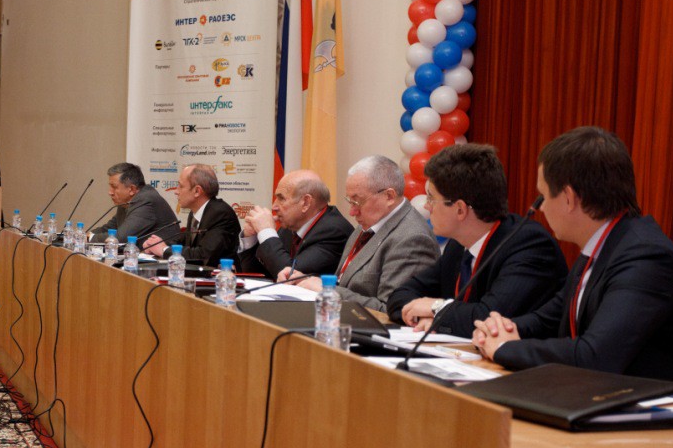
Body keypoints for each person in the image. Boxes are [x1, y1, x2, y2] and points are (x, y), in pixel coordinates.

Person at [473, 126, 673, 379]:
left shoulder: (646, 256)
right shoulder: (602, 245)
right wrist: (497, 330)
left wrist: (505, 348)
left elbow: (596, 356)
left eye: (543, 197)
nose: (541, 209)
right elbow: (550, 318)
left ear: (568, 198)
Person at [387, 144, 567, 336]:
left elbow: (488, 319)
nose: (427, 206)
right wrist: (427, 318)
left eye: (431, 198)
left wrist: (436, 309)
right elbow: (400, 296)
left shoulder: (529, 245)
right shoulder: (458, 245)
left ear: (460, 209)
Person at [292, 156, 439, 312]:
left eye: (357, 202)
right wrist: (306, 281)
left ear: (389, 196)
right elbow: (344, 282)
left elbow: (390, 310)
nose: (352, 211)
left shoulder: (412, 239)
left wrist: (329, 291)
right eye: (350, 201)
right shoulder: (370, 221)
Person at [237, 169, 353, 279]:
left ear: (306, 203)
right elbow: (259, 275)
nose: (274, 206)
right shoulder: (290, 226)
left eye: (281, 198)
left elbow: (289, 276)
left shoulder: (334, 232)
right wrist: (250, 238)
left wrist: (266, 232)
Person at [143, 164, 240, 266]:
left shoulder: (220, 214)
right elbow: (183, 242)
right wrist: (156, 244)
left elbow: (204, 256)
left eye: (181, 186)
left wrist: (164, 250)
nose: (176, 191)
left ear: (197, 191)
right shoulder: (195, 212)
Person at [90, 163, 180, 244]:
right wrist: (87, 234)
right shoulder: (126, 202)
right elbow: (110, 228)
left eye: (114, 187)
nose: (110, 192)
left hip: (167, 255)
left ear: (132, 189)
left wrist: (91, 238)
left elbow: (120, 238)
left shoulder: (146, 201)